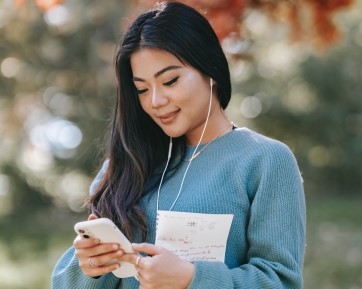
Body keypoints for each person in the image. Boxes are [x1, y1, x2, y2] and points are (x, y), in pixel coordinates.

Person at [51, 1, 306, 289]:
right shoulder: (126, 164)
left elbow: (281, 281)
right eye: (142, 89)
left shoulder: (265, 161)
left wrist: (191, 279)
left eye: (170, 81)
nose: (155, 102)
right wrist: (90, 267)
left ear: (209, 70)